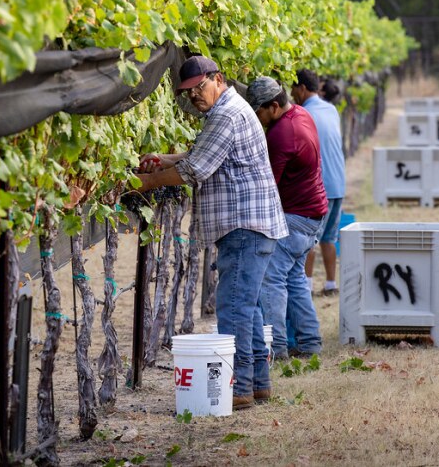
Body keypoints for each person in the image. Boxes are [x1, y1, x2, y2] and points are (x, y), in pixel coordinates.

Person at [134, 55, 287, 410]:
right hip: (252, 226)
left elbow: (196, 170)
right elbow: (203, 155)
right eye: (188, 93)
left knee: (233, 309)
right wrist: (165, 157)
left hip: (244, 227)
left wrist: (145, 183)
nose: (195, 97)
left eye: (199, 88)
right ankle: (258, 384)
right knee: (247, 308)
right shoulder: (228, 109)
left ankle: (240, 389)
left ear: (217, 79)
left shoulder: (225, 114)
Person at [247, 76, 326, 359]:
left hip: (294, 217)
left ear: (274, 105)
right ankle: (309, 343)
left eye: (259, 111)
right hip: (313, 214)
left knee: (272, 280)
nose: (257, 117)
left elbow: (270, 186)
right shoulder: (301, 114)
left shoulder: (281, 134)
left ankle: (276, 348)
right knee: (294, 279)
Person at [291, 69, 346, 297]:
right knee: (329, 238)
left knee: (308, 241)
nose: (292, 94)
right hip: (338, 183)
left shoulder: (301, 113)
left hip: (319, 186)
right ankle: (331, 284)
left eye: (293, 89)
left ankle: (306, 287)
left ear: (302, 88)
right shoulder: (331, 109)